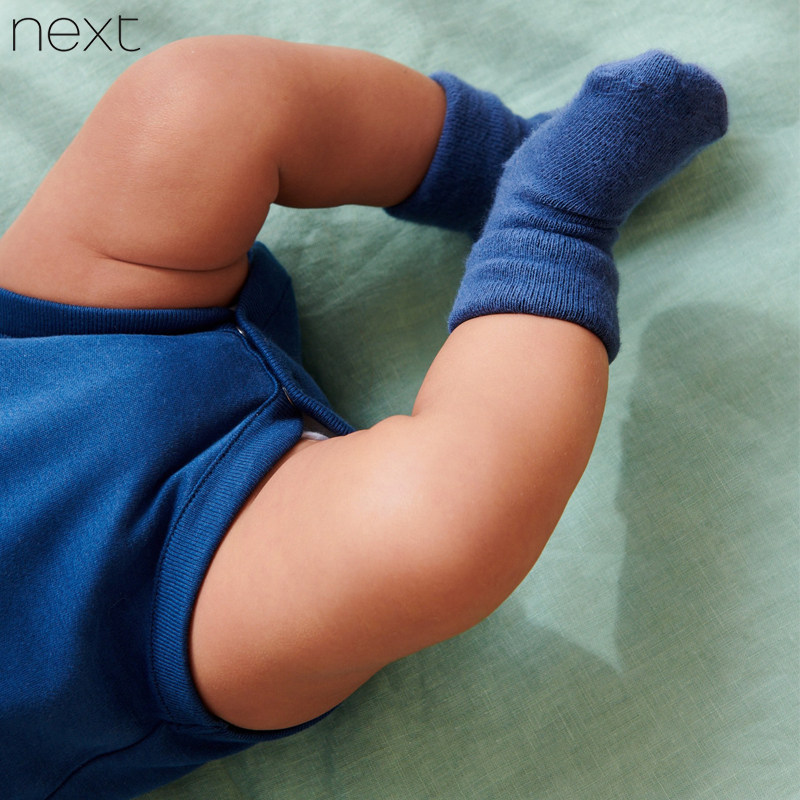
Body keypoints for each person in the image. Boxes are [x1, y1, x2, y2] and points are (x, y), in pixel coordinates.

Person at [0, 36, 727, 799]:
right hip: (133, 613)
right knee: (442, 530)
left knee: (192, 99)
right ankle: (552, 220)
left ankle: (495, 162)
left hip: (58, 342)